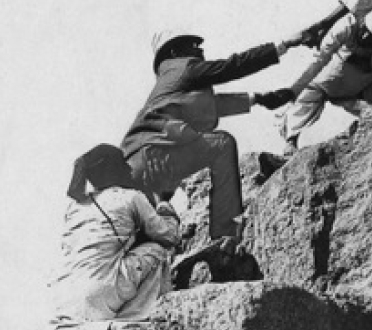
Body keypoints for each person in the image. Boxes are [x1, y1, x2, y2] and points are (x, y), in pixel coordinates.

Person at [121, 27, 302, 249]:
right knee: (222, 145)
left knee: (142, 241)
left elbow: (208, 105)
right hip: (154, 158)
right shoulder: (184, 68)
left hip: (134, 166)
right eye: (191, 44)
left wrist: (259, 99)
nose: (199, 49)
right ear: (174, 51)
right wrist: (283, 45)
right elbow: (232, 66)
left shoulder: (171, 82)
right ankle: (226, 234)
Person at [37, 143, 181, 330]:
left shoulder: (75, 206)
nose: (129, 170)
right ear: (112, 169)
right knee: (158, 250)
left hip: (67, 299)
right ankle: (137, 316)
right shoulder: (131, 197)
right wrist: (164, 202)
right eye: (123, 165)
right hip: (100, 293)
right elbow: (168, 235)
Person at [282, 0, 372, 151]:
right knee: (303, 99)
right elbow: (321, 57)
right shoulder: (348, 25)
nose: (366, 36)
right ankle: (290, 143)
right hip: (326, 80)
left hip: (362, 88)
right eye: (366, 30)